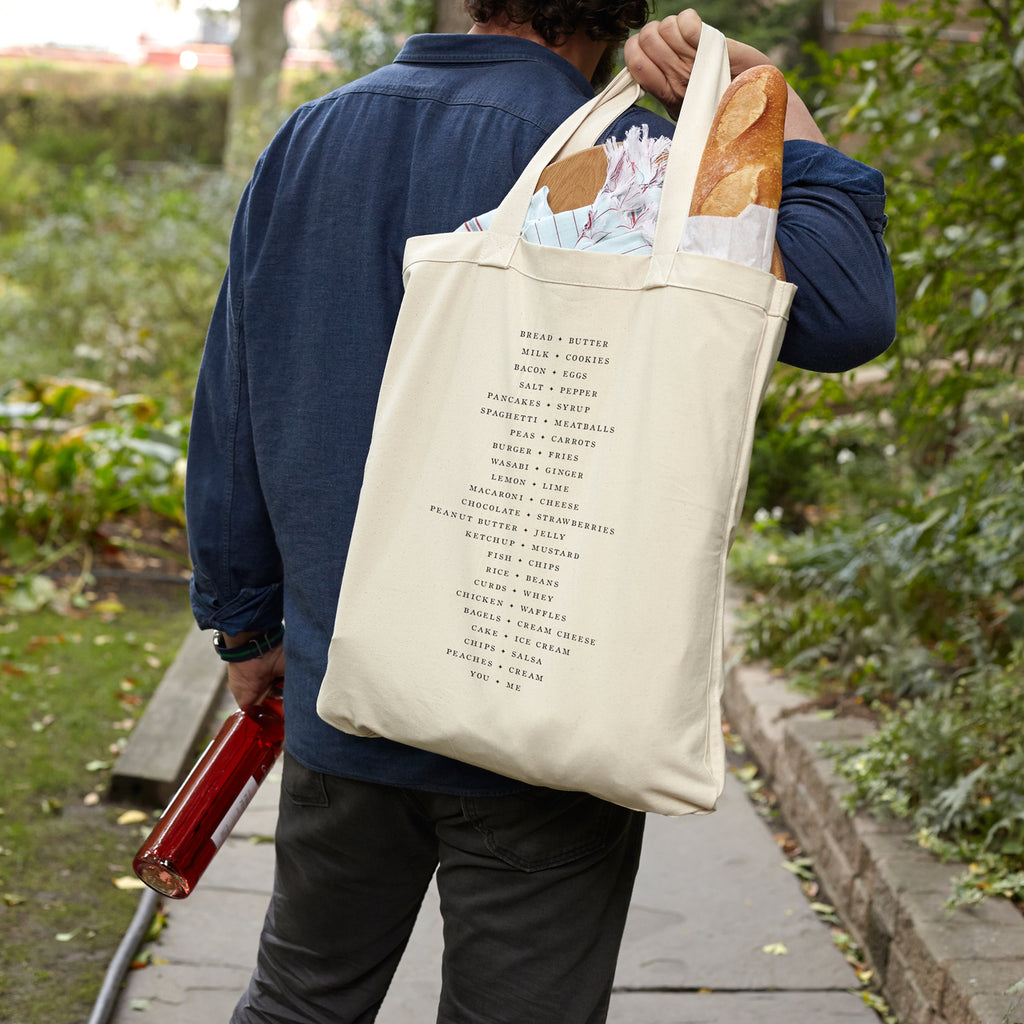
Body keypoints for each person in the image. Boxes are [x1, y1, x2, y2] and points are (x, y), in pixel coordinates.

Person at [185, 3, 896, 1021]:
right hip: (546, 712)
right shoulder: (639, 161)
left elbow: (234, 391)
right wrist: (765, 97)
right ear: (624, 11)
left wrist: (247, 622)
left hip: (345, 679)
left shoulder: (312, 136)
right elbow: (847, 309)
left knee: (301, 997)